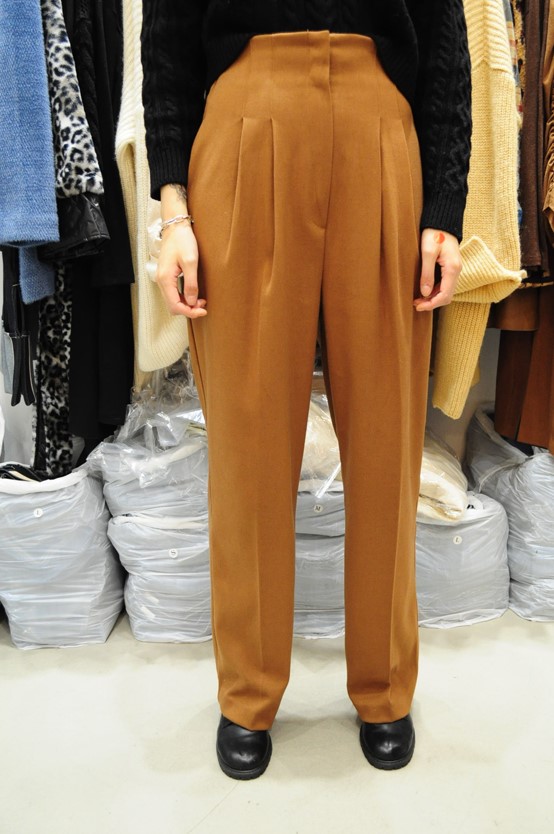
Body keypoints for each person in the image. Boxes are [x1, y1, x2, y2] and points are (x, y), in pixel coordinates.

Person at [141, 1, 472, 780]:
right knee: (249, 442)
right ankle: (248, 691)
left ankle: (385, 686)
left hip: (380, 130)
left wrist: (445, 208)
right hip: (242, 126)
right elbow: (167, 46)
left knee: (386, 436)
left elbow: (446, 49)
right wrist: (173, 212)